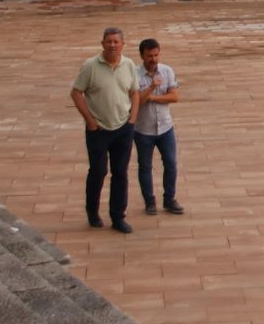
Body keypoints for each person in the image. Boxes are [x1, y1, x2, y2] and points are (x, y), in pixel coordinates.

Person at [70, 26, 140, 233]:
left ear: (122, 45)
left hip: (123, 128)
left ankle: (118, 217)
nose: (112, 45)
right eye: (108, 41)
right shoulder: (90, 66)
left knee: (120, 173)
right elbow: (76, 93)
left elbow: (134, 92)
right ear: (102, 44)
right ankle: (92, 212)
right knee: (98, 171)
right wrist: (90, 122)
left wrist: (132, 119)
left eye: (116, 42)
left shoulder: (128, 65)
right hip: (98, 129)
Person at [134, 37, 184, 216]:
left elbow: (174, 97)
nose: (153, 59)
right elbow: (137, 101)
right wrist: (151, 88)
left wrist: (153, 98)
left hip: (165, 127)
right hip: (143, 129)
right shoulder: (134, 74)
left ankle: (170, 199)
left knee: (171, 164)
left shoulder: (167, 71)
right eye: (149, 56)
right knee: (145, 166)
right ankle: (149, 201)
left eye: (156, 55)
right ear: (142, 56)